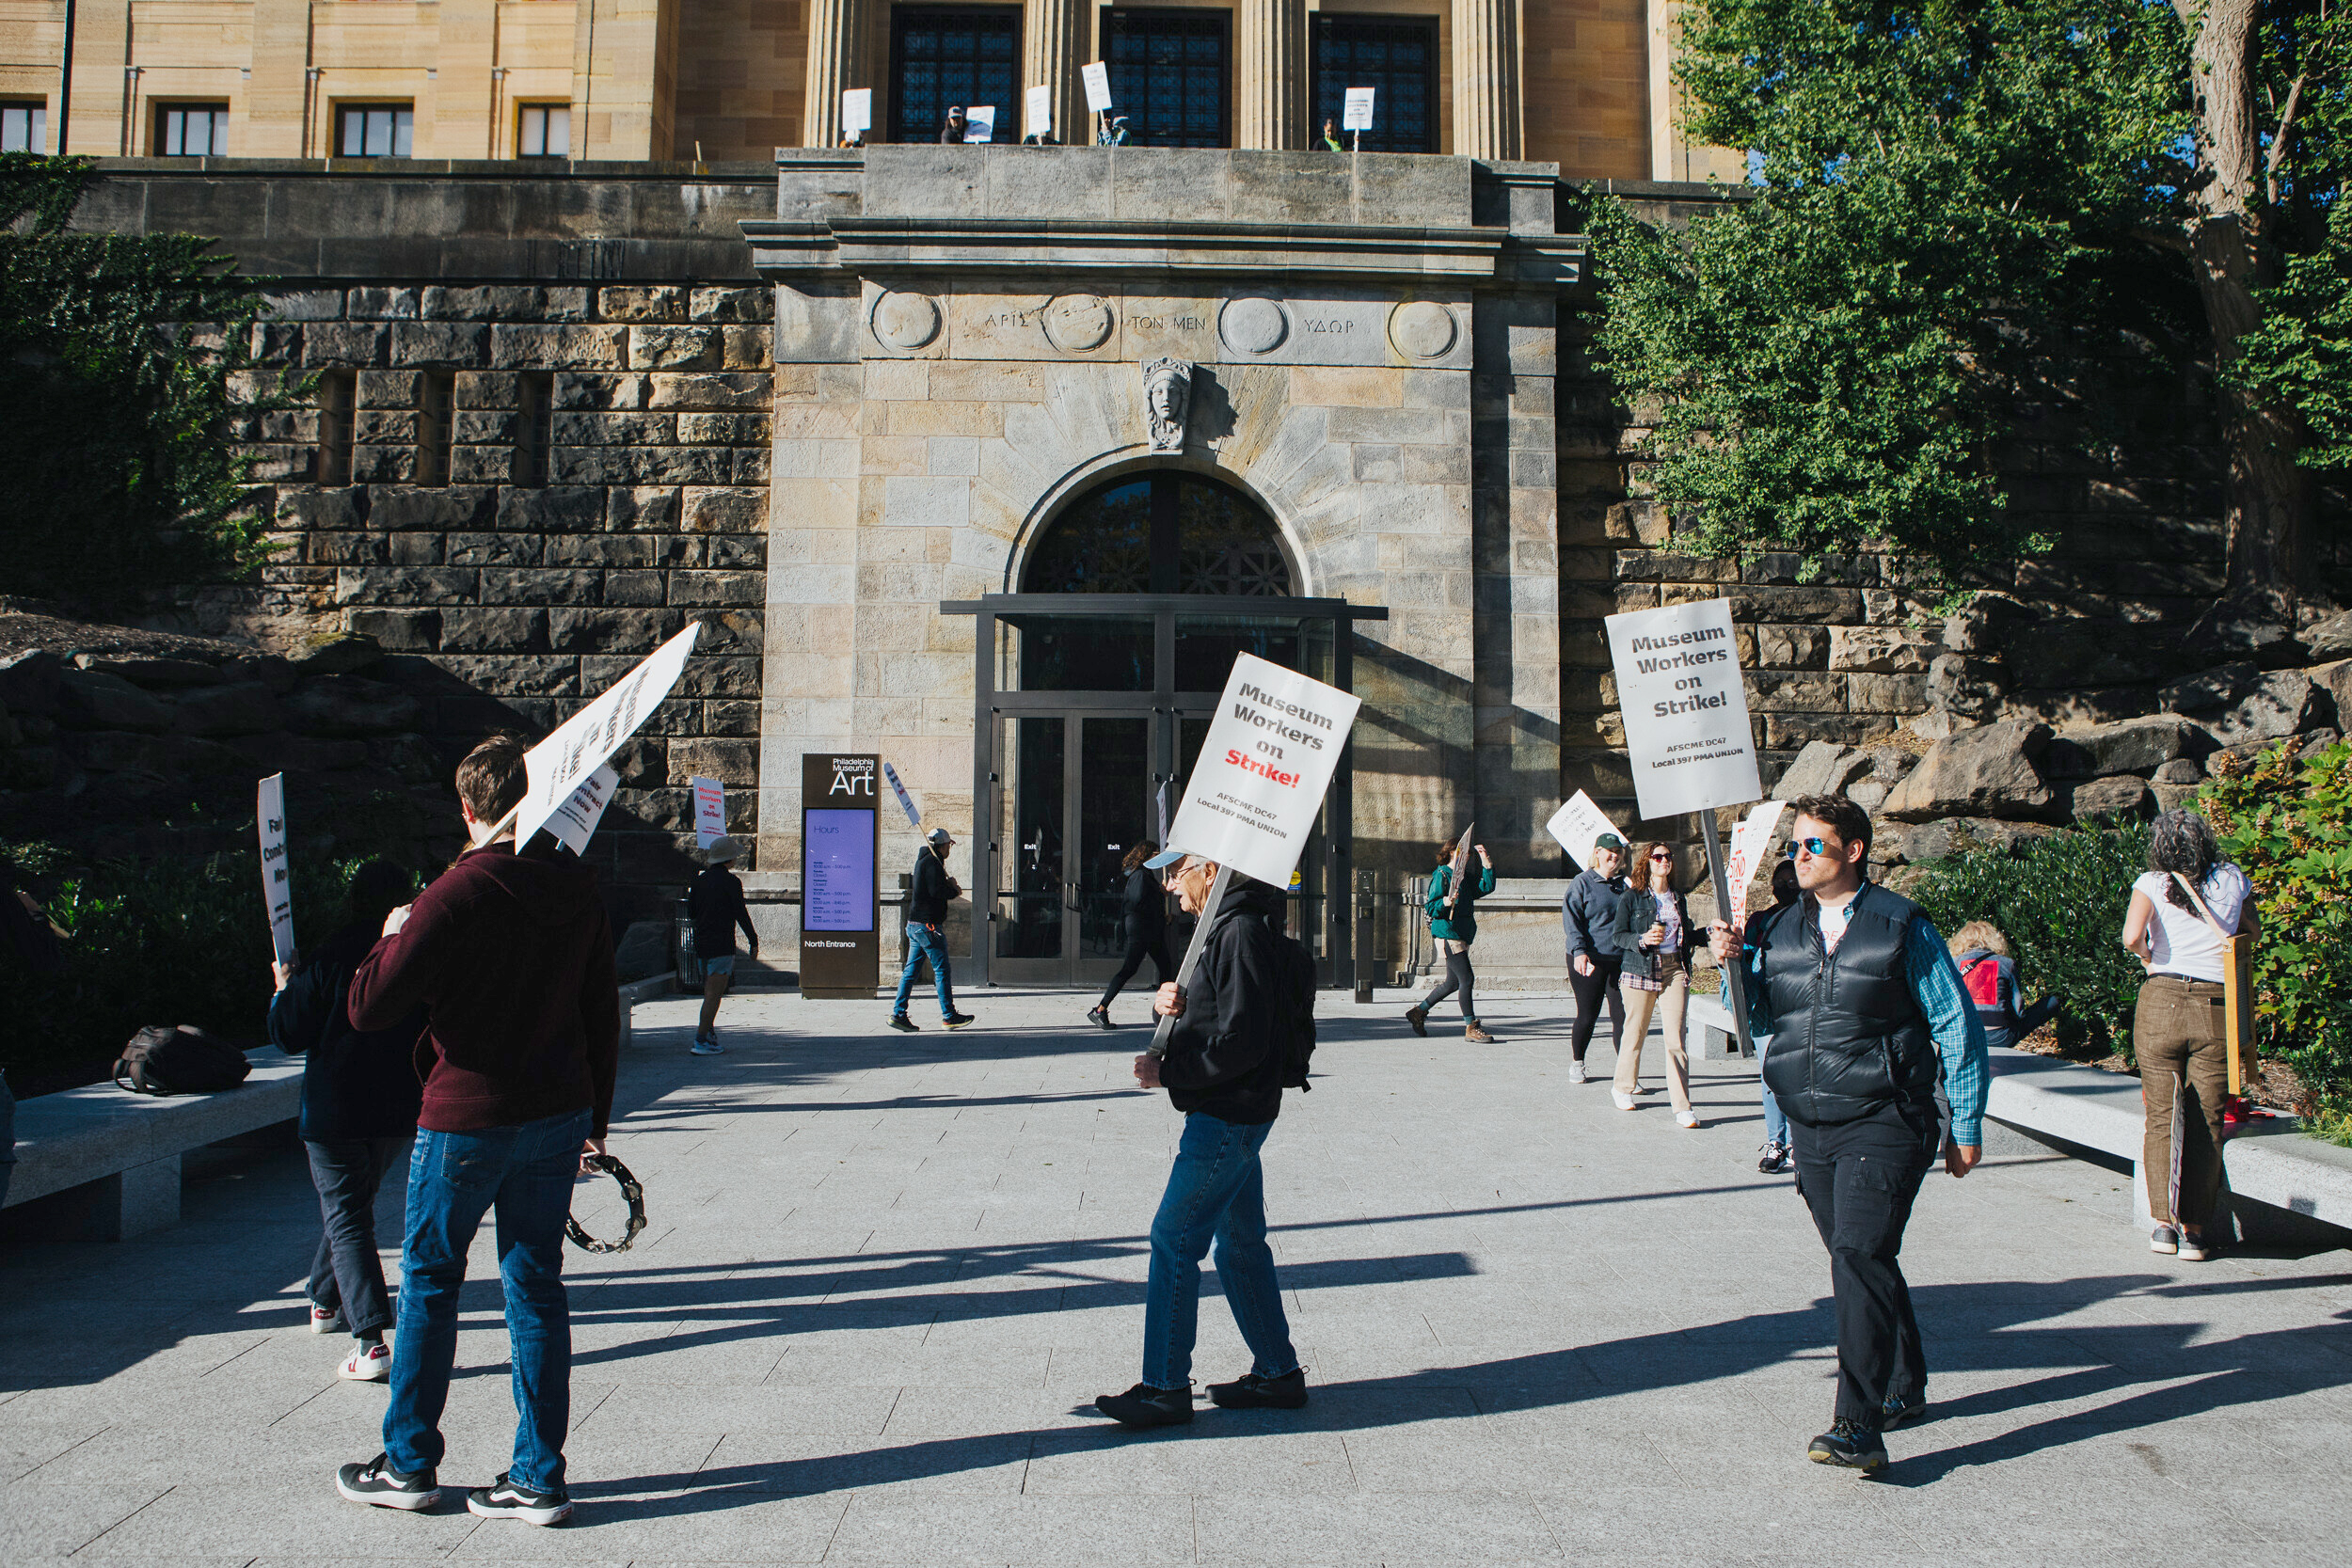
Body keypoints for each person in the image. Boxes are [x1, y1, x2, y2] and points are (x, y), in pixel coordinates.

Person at [332, 735, 620, 1527]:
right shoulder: (576, 888)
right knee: (536, 1286)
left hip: (466, 1115)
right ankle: (537, 1476)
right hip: (558, 1112)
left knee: (431, 1279)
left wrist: (392, 932)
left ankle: (410, 1462)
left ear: (466, 808)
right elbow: (603, 1013)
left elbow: (368, 1008)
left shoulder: (452, 893)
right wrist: (596, 1119)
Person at [1707, 794, 1988, 1474]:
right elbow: (1754, 1019)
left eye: (1813, 846)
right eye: (1795, 847)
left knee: (1857, 1251)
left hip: (1888, 1115)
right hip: (1811, 1122)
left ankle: (1858, 1424)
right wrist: (1733, 964)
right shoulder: (1775, 927)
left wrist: (1968, 1122)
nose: (1798, 857)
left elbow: (1957, 1024)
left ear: (1853, 850)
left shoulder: (1900, 926)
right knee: (1863, 1256)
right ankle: (1906, 1380)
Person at [1092, 852, 1305, 1428]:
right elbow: (1219, 1016)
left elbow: (1244, 1042)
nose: (1166, 885)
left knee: (1173, 1238)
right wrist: (1171, 1004)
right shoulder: (1221, 930)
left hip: (1227, 1114)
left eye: (1175, 871)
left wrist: (1171, 1073)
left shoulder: (1237, 933)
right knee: (1238, 1245)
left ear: (1210, 873)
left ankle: (1163, 1387)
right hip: (1234, 1111)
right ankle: (1279, 1375)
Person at [268, 860, 427, 1383]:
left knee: (346, 1213)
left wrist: (283, 989)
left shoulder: (331, 953)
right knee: (350, 1207)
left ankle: (370, 1339)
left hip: (335, 1106)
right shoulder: (412, 953)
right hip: (395, 1106)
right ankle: (323, 1299)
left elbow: (289, 1033)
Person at [2121, 808, 2257, 1264]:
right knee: (2207, 1119)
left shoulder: (2151, 882)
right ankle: (2195, 1232)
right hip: (2216, 1006)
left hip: (2160, 999)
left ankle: (2162, 1226)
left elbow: (2131, 936)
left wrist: (2148, 955)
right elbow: (2249, 933)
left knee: (2161, 1115)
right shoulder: (2234, 878)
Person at [1612, 841, 1700, 1128]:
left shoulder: (1677, 898)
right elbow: (1618, 936)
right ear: (1647, 862)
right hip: (1641, 968)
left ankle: (1682, 1107)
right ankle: (1623, 1087)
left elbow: (1688, 933)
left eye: (1668, 857)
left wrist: (1710, 932)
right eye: (1658, 856)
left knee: (1676, 1038)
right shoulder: (1632, 897)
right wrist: (1642, 940)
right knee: (1635, 1032)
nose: (1664, 860)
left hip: (1674, 968)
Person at [1406, 839, 1497, 1043]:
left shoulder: (1462, 876)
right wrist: (1446, 901)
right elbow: (1431, 907)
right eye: (1463, 854)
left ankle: (1418, 1012)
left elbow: (1485, 887)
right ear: (1451, 853)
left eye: (1468, 855)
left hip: (1461, 933)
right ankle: (1471, 1027)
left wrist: (1487, 863)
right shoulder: (1441, 875)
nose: (1466, 858)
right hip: (1448, 934)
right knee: (1467, 979)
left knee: (1452, 983)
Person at [890, 827, 975, 1032]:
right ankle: (949, 1016)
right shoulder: (932, 863)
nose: (949, 849)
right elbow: (937, 891)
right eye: (948, 845)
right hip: (927, 927)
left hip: (916, 925)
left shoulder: (926, 861)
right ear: (941, 845)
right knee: (942, 970)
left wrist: (948, 885)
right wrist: (953, 888)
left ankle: (898, 1014)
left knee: (911, 971)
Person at [1562, 833, 1629, 1085]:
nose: (1615, 856)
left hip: (1620, 960)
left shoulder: (1626, 885)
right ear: (1597, 852)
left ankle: (1626, 1072)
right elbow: (1572, 921)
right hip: (1589, 958)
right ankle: (1577, 1062)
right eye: (1609, 851)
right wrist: (1579, 951)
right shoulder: (1582, 882)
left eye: (1619, 852)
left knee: (1622, 1016)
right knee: (1588, 1014)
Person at [687, 834, 759, 1055]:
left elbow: (691, 913)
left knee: (708, 991)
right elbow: (741, 913)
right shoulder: (731, 882)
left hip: (701, 943)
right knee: (713, 995)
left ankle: (708, 1034)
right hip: (722, 944)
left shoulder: (698, 881)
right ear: (729, 859)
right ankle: (701, 1039)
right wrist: (753, 940)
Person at [1089, 840, 1172, 1028]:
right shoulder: (1141, 875)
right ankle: (1100, 1009)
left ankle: (1165, 1010)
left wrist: (1160, 897)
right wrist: (1160, 897)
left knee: (1165, 966)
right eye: (1155, 854)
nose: (1157, 857)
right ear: (1147, 855)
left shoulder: (1143, 874)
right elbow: (1136, 903)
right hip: (1143, 930)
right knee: (1130, 969)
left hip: (1147, 929)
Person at [1752, 859, 1801, 1173]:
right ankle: (1776, 1141)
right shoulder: (1761, 920)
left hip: (1799, 1007)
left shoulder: (1814, 918)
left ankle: (1801, 1142)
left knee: (1799, 1078)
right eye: (1779, 882)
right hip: (1766, 1008)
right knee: (1771, 1078)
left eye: (1791, 882)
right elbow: (1745, 958)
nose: (1784, 888)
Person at [1946, 921, 2061, 1051]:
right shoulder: (2007, 963)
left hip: (1965, 1036)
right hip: (2001, 1038)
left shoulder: (1953, 964)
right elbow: (2019, 1011)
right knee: (2052, 1002)